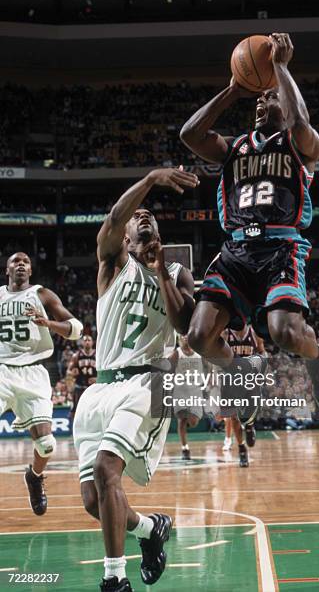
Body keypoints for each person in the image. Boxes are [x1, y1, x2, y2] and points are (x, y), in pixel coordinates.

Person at [180, 32, 319, 415]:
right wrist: (235, 88)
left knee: (285, 334)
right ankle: (238, 376)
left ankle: (318, 356)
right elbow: (190, 135)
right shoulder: (234, 147)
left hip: (280, 247)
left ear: (284, 102)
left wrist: (281, 68)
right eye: (258, 98)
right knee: (199, 337)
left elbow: (301, 120)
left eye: (269, 97)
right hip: (235, 250)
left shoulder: (301, 146)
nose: (261, 102)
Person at [73, 166, 198, 592]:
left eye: (151, 217)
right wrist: (150, 179)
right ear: (125, 237)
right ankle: (149, 529)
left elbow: (185, 324)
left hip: (149, 382)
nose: (144, 217)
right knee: (95, 501)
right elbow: (111, 219)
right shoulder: (112, 263)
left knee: (109, 470)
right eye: (136, 218)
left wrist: (162, 267)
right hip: (100, 387)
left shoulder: (177, 272)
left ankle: (114, 580)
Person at [0, 251, 83, 516]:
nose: (21, 264)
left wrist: (47, 322)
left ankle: (34, 476)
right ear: (7, 270)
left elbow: (77, 328)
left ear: (31, 270)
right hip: (2, 370)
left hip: (34, 372)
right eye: (16, 261)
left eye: (25, 261)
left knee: (47, 444)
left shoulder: (42, 294)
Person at [222, 325, 266, 467]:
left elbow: (262, 352)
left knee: (249, 412)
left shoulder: (254, 332)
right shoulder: (225, 333)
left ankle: (250, 425)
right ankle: (241, 449)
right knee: (233, 417)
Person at [170, 334, 204, 460]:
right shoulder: (177, 354)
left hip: (195, 391)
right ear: (178, 339)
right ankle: (185, 448)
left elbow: (206, 369)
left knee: (194, 421)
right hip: (180, 391)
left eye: (186, 336)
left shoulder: (198, 354)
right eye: (182, 336)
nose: (185, 338)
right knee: (182, 420)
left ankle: (188, 421)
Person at [68, 334, 97, 423]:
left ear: (92, 342)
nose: (87, 342)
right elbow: (68, 372)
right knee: (75, 409)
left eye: (89, 340)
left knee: (95, 408)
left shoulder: (98, 355)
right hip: (79, 387)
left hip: (94, 388)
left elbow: (104, 371)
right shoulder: (76, 355)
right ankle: (74, 429)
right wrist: (72, 373)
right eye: (85, 340)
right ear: (82, 343)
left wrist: (97, 378)